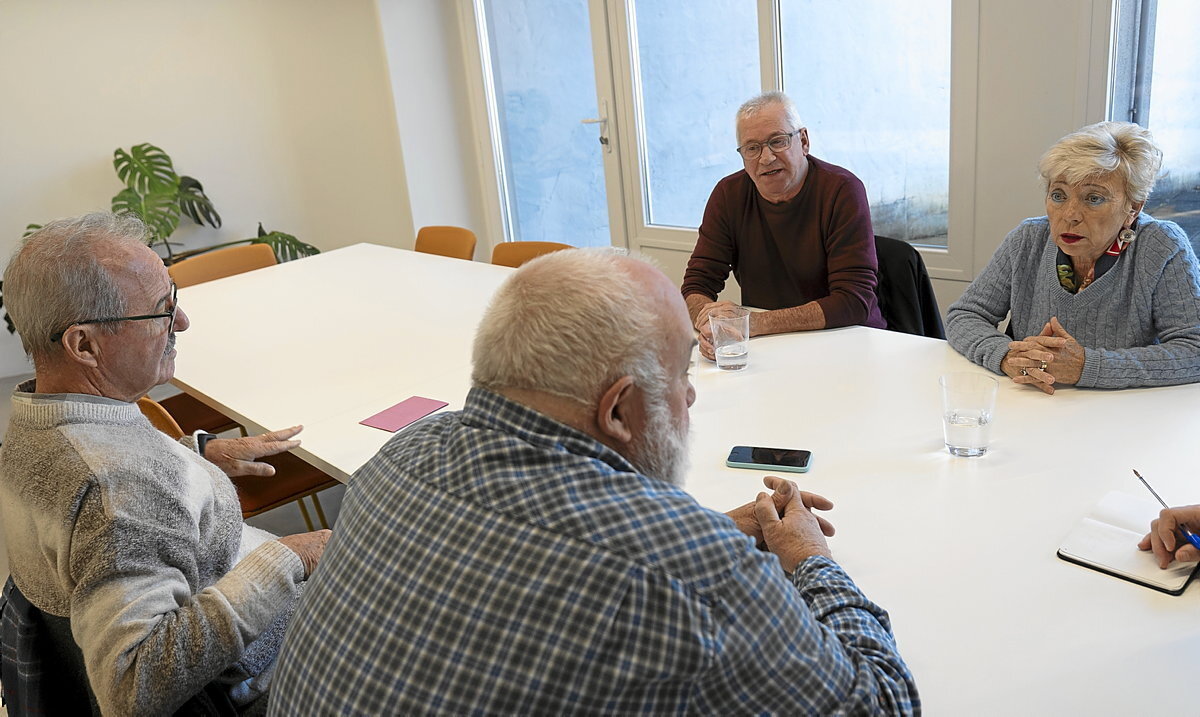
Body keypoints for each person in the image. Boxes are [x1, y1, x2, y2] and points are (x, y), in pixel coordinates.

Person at [269, 250, 918, 714]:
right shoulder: (693, 573)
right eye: (681, 374)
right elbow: (881, 703)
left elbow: (528, 561)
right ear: (617, 410)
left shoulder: (400, 455)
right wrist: (808, 559)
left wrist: (706, 534)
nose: (690, 396)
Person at [0, 213, 331, 715]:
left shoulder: (35, 421)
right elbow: (132, 686)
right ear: (84, 345)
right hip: (277, 670)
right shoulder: (119, 493)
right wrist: (289, 559)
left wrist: (194, 457)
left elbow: (106, 493)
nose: (182, 322)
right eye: (161, 311)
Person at [946, 121, 1200, 392]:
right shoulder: (1028, 239)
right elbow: (965, 315)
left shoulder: (1161, 246)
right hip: (1032, 401)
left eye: (1093, 198)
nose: (1070, 215)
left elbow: (1194, 349)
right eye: (1059, 195)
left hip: (1124, 409)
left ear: (1133, 209)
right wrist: (1007, 356)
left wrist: (1087, 366)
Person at [681, 91, 886, 359]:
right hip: (769, 349)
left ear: (803, 141)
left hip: (847, 343)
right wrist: (710, 323)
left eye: (777, 141)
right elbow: (696, 284)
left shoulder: (842, 190)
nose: (766, 158)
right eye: (752, 148)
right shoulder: (728, 194)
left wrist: (753, 323)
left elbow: (854, 300)